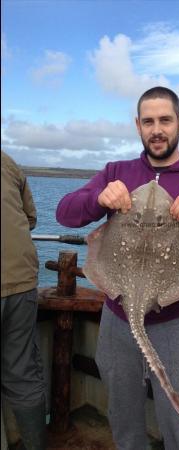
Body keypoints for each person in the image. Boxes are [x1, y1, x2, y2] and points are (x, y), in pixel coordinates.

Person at [56, 87, 179, 450]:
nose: (157, 129)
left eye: (165, 120)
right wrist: (98, 198)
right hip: (118, 319)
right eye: (148, 121)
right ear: (138, 126)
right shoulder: (117, 172)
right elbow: (65, 213)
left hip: (178, 324)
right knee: (122, 414)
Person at [1, 150, 46, 450]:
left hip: (17, 279)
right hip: (18, 280)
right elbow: (30, 218)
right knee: (22, 374)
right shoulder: (7, 162)